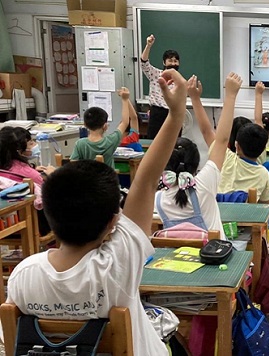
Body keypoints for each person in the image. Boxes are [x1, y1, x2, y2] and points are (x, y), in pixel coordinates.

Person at [7, 69, 189, 355]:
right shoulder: (118, 263)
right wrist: (176, 113)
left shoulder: (22, 275)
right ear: (113, 222)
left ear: (50, 217)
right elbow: (144, 181)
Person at [155, 74, 239, 240]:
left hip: (176, 262)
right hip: (214, 259)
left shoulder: (158, 198)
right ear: (196, 164)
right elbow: (221, 140)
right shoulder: (205, 184)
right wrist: (230, 96)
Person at [0, 127, 55, 235]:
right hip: (36, 226)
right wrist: (53, 175)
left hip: (7, 224)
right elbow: (48, 195)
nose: (34, 145)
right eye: (30, 143)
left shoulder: (4, 170)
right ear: (19, 150)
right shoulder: (29, 174)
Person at [71, 88, 131, 169]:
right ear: (105, 126)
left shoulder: (80, 144)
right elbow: (125, 122)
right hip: (108, 180)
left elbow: (73, 166)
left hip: (86, 181)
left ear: (85, 125)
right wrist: (125, 99)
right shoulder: (111, 141)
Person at [140, 34, 180, 139]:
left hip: (173, 114)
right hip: (157, 113)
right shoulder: (156, 74)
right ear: (164, 62)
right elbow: (144, 63)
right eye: (170, 60)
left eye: (175, 61)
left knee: (173, 144)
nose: (173, 63)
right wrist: (148, 46)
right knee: (153, 142)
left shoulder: (180, 81)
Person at [119, 88, 142, 152]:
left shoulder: (115, 138)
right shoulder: (133, 137)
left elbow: (134, 118)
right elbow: (134, 118)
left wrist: (125, 99)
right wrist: (125, 99)